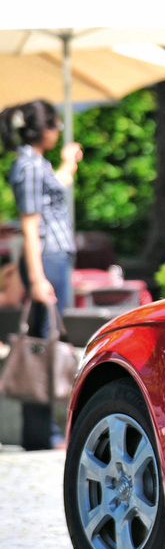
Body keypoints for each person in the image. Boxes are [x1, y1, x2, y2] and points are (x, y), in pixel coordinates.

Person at [0, 99, 81, 450]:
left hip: (50, 258)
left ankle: (43, 431)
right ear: (42, 129)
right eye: (56, 125)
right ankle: (42, 433)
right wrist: (36, 279)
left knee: (45, 339)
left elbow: (53, 194)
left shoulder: (35, 163)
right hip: (45, 259)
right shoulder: (29, 167)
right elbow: (31, 226)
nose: (58, 131)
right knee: (42, 344)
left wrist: (68, 163)